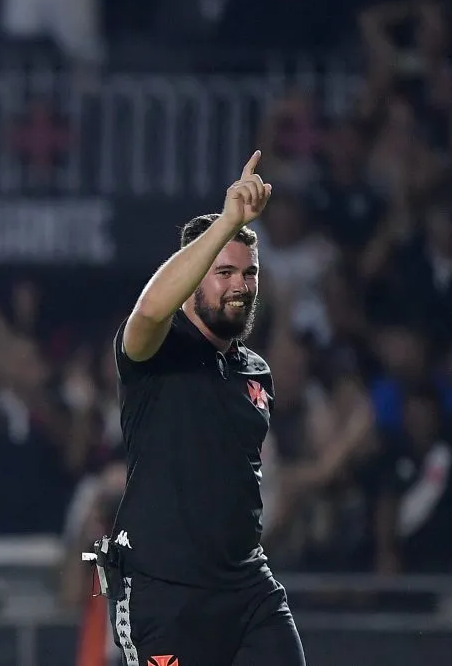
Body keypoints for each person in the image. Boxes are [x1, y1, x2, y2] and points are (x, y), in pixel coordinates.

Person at [102, 151, 306, 666]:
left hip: (246, 585)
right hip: (165, 591)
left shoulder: (255, 371)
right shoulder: (154, 352)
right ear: (194, 277)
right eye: (225, 272)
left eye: (250, 273)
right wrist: (229, 221)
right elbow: (149, 309)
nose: (241, 285)